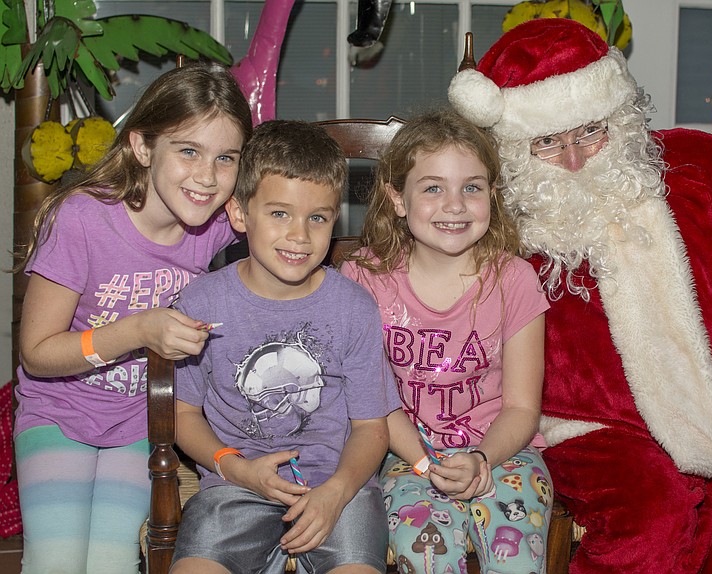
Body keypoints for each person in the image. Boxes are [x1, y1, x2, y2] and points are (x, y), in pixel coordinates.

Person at [448, 18, 712, 574]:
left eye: (590, 130)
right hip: (597, 433)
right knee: (649, 530)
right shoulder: (493, 219)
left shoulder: (700, 167)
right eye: (546, 142)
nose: (573, 159)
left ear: (617, 115)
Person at [12, 62, 252, 574]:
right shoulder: (83, 218)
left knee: (110, 564)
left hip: (139, 425)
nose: (207, 177)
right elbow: (36, 353)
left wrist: (256, 207)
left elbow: (291, 211)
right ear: (143, 147)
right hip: (59, 415)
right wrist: (138, 330)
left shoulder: (213, 225)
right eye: (188, 151)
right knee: (56, 562)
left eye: (225, 158)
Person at [169, 119, 400, 574]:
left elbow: (372, 428)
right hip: (233, 487)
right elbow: (182, 414)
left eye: (318, 217)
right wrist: (233, 468)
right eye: (279, 214)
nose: (300, 236)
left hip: (339, 487)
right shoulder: (202, 301)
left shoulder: (353, 307)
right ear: (239, 214)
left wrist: (337, 492)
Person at [341, 110, 553, 573]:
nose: (454, 205)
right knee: (427, 552)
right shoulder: (363, 278)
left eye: (472, 188)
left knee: (515, 556)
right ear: (397, 198)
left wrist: (480, 461)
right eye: (433, 187)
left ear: (492, 197)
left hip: (502, 451)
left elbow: (521, 408)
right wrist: (426, 464)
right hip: (404, 454)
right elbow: (371, 401)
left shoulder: (514, 280)